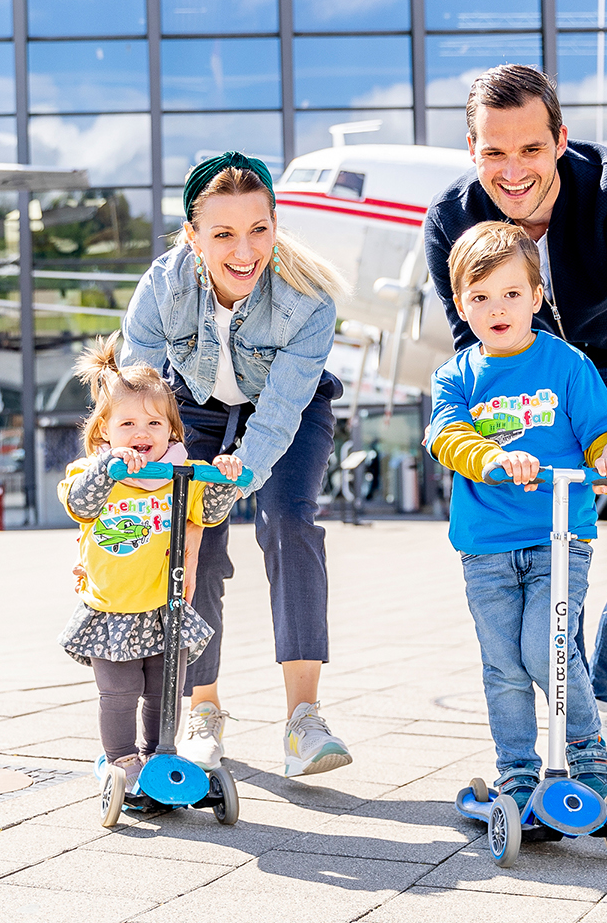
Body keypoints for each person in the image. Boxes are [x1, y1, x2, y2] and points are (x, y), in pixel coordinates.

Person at [423, 64, 607, 791]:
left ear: (560, 140)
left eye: (530, 150)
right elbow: (471, 347)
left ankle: (598, 712)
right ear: (472, 148)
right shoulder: (450, 219)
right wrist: (483, 447)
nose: (511, 172)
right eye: (492, 152)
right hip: (532, 391)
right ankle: (565, 744)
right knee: (551, 560)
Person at [119, 151, 354, 778]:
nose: (243, 249)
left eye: (258, 230)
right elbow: (135, 383)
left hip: (288, 412)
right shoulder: (163, 285)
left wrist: (240, 474)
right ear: (193, 237)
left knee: (290, 524)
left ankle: (304, 719)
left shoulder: (309, 299)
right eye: (222, 234)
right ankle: (204, 710)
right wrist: (140, 464)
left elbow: (278, 411)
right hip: (192, 410)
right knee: (194, 546)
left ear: (276, 226)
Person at [428, 221, 607, 809]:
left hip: (559, 536)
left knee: (548, 648)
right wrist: (493, 458)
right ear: (461, 303)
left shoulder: (567, 365)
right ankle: (516, 770)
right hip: (485, 543)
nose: (498, 308)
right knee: (503, 664)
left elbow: (599, 433)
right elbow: (447, 435)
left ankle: (587, 750)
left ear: (536, 297)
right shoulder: (456, 375)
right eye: (481, 296)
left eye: (512, 294)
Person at [55, 335, 242, 790]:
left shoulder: (180, 477)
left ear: (171, 434)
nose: (142, 433)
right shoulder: (91, 473)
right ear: (104, 433)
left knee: (164, 694)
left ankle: (159, 756)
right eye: (128, 423)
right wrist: (108, 467)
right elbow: (80, 504)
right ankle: (120, 760)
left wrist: (222, 478)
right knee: (118, 694)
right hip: (113, 608)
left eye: (155, 423)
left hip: (167, 608)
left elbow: (210, 514)